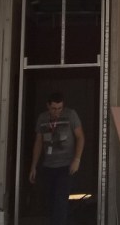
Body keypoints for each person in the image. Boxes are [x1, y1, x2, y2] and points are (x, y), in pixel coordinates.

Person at [29, 93, 84, 225]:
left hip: (66, 165)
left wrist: (77, 159)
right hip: (48, 165)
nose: (57, 112)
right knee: (50, 200)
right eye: (54, 108)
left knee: (61, 199)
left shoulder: (71, 115)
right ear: (48, 106)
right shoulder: (42, 118)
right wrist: (33, 166)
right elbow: (38, 142)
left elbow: (80, 137)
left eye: (60, 108)